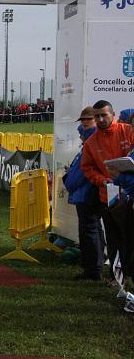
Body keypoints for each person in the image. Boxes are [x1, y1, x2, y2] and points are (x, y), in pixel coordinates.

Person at [81, 100, 134, 283]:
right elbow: (87, 168)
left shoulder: (127, 131)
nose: (101, 119)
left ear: (113, 114)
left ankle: (129, 274)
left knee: (130, 238)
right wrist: (101, 180)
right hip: (109, 197)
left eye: (104, 115)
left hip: (131, 195)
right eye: (97, 116)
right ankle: (116, 277)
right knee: (114, 239)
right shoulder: (91, 141)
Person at [63, 107, 101, 280]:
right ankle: (92, 268)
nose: (85, 122)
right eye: (83, 119)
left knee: (89, 231)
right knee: (90, 231)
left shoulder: (93, 141)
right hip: (83, 192)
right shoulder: (88, 140)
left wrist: (69, 182)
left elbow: (82, 172)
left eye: (88, 119)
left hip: (87, 193)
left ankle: (92, 270)